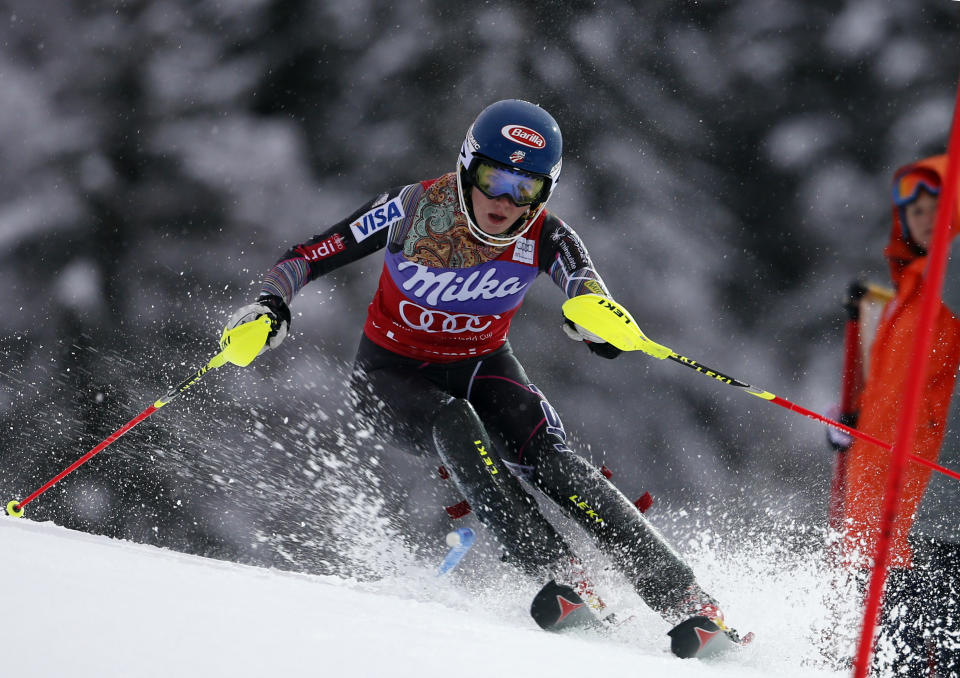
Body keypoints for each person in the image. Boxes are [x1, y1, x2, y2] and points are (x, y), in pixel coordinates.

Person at [225, 99, 738, 646]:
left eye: (526, 189)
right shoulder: (414, 209)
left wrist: (600, 328)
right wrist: (269, 306)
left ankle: (689, 601)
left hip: (481, 367)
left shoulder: (546, 236)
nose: (504, 201)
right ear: (469, 166)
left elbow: (590, 295)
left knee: (552, 461)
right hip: (390, 378)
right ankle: (561, 576)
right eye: (494, 178)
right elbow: (304, 258)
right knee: (455, 424)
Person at [827, 155, 960, 675]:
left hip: (933, 510)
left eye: (938, 207)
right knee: (884, 655)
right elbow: (897, 393)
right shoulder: (908, 296)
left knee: (925, 659)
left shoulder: (946, 293)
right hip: (884, 506)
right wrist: (855, 423)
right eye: (916, 210)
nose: (926, 218)